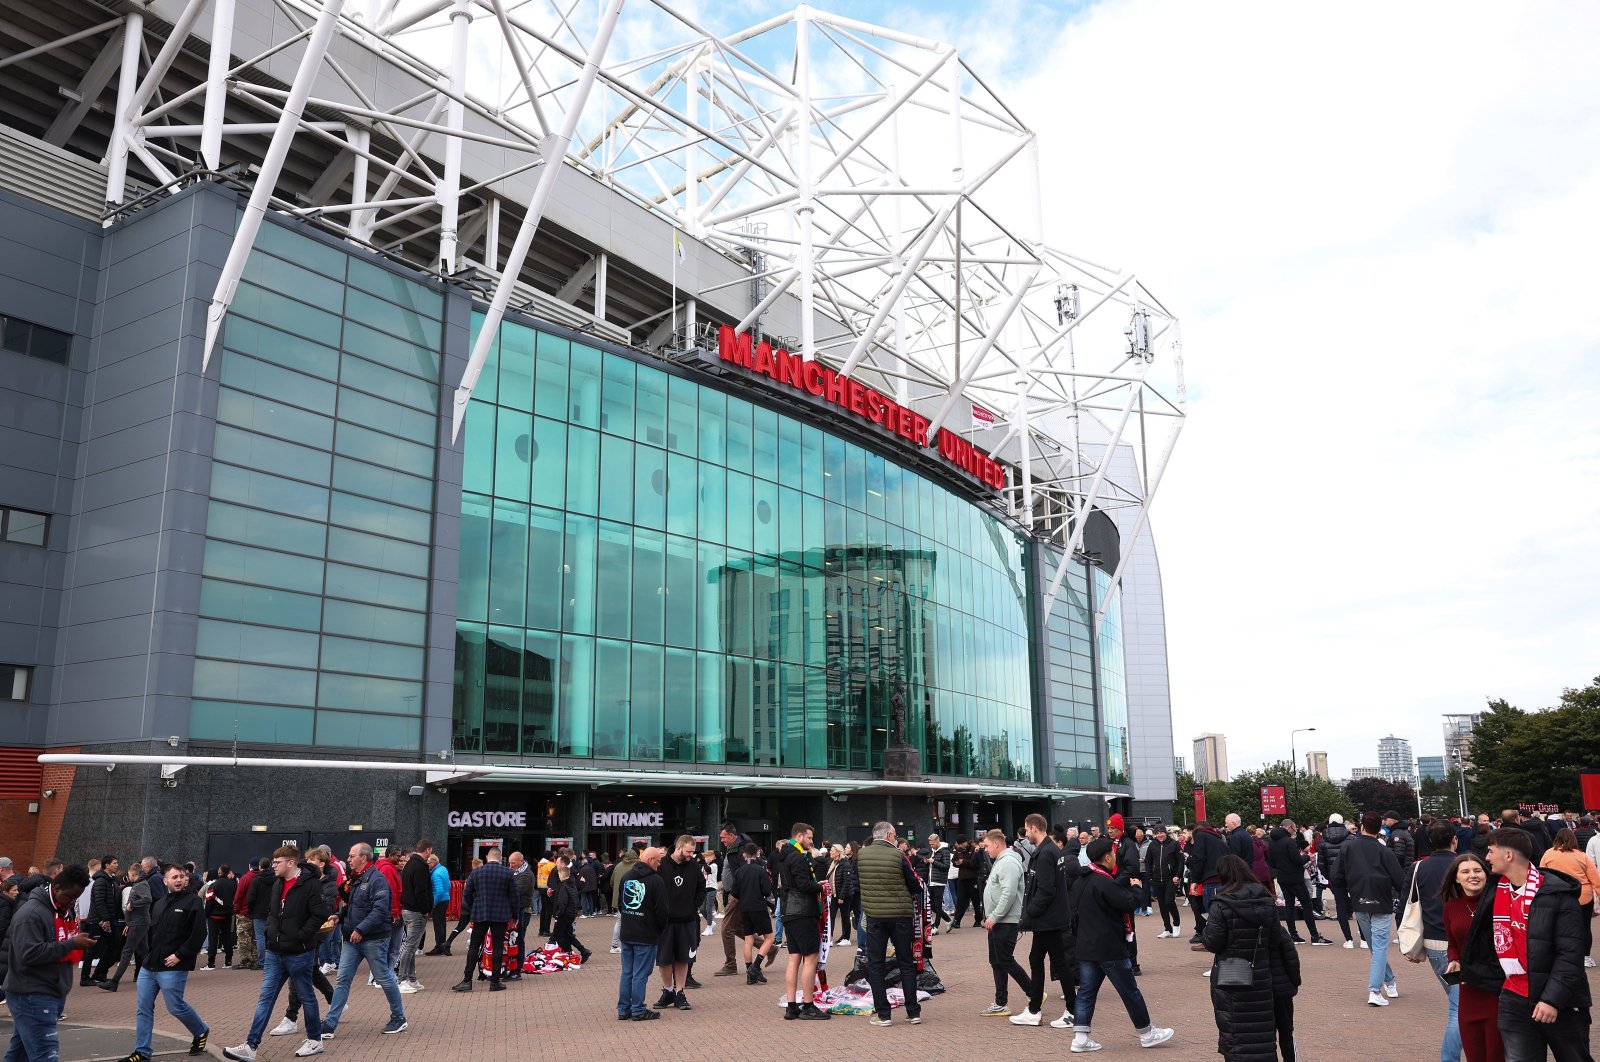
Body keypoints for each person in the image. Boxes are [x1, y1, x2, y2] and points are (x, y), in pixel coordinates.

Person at [1463, 828, 1591, 1061]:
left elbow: (1570, 954)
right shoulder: (1495, 890)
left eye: (1491, 852)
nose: (1487, 858)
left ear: (1508, 855)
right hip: (1513, 996)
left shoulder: (1557, 894)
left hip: (1559, 1000)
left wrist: (1552, 999)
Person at [223, 847, 331, 1062]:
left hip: (300, 953)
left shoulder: (310, 884)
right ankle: (251, 1046)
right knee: (266, 998)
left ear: (290, 863)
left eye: (277, 862)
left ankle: (314, 1040)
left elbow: (320, 914)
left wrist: (301, 935)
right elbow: (272, 913)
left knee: (307, 997)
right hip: (275, 952)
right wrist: (270, 933)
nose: (273, 865)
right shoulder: (277, 883)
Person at [1071, 837, 1174, 1052]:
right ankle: (1147, 1033)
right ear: (1107, 857)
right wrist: (1137, 888)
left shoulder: (1082, 879)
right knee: (1129, 991)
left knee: (1086, 992)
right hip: (1109, 946)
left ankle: (1080, 1038)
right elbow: (1128, 902)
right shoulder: (1104, 881)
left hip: (1086, 945)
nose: (1115, 857)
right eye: (1113, 854)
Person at [1202, 854, 1299, 1061]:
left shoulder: (1221, 904)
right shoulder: (1266, 900)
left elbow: (1213, 943)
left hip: (1232, 975)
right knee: (1262, 1033)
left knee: (1237, 1033)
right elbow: (1275, 939)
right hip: (1262, 974)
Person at [3, 864, 94, 1062]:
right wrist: (71, 944)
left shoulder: (60, 910)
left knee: (19, 1055)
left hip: (47, 992)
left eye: (75, 898)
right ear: (57, 887)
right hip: (32, 994)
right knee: (46, 1055)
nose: (71, 903)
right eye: (69, 897)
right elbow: (29, 954)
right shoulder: (31, 913)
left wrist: (75, 944)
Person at [318, 843, 406, 1040]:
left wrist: (360, 929)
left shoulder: (377, 880)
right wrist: (339, 915)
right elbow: (354, 905)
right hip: (353, 938)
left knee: (383, 977)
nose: (348, 859)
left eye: (351, 856)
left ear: (363, 858)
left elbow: (380, 910)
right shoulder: (356, 878)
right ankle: (330, 1023)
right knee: (342, 980)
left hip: (373, 938)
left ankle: (399, 1017)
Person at [123, 864, 209, 1062]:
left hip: (173, 966)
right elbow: (153, 934)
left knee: (175, 1007)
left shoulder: (193, 902)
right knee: (143, 1008)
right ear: (165, 881)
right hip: (149, 965)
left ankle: (201, 1030)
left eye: (181, 877)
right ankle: (142, 1052)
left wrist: (180, 955)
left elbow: (199, 934)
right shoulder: (159, 903)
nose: (178, 880)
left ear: (186, 879)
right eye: (174, 877)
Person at [1404, 822, 1466, 1062]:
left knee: (1458, 1004)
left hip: (1433, 942)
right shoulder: (1465, 865)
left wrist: (1410, 942)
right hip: (1458, 942)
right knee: (1459, 1009)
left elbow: (1407, 902)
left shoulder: (1420, 867)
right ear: (1454, 838)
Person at [1010, 811, 1076, 1029]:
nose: (1025, 833)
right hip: (1048, 919)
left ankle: (1071, 1011)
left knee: (1056, 963)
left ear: (1034, 828)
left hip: (1048, 920)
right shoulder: (1049, 850)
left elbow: (1046, 890)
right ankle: (1034, 1009)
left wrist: (1027, 916)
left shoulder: (1046, 853)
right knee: (1037, 959)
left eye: (1027, 829)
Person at [1331, 810, 1404, 1006]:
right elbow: (1399, 880)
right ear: (1379, 829)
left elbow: (1336, 875)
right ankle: (1377, 988)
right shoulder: (1384, 851)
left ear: (1362, 827)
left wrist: (1348, 890)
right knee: (1377, 947)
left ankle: (1385, 983)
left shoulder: (1348, 848)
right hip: (1381, 901)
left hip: (1359, 901)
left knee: (1376, 947)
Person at [857, 820, 921, 1027]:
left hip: (875, 915)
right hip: (901, 915)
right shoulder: (898, 855)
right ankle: (913, 1012)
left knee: (876, 964)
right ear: (888, 836)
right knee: (906, 962)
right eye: (894, 835)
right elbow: (913, 882)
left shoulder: (861, 855)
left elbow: (860, 883)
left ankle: (884, 1014)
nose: (896, 838)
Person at [1441, 853, 1504, 1062]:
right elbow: (1452, 943)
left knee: (1496, 1055)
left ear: (1486, 874)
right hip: (1467, 991)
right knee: (1474, 1054)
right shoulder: (1451, 906)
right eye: (1465, 872)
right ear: (1457, 878)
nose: (1472, 876)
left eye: (1477, 870)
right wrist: (1454, 959)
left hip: (1496, 989)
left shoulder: (1499, 902)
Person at [773, 823, 828, 1020]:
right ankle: (807, 1005)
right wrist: (820, 888)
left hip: (788, 911)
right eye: (810, 838)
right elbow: (803, 884)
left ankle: (791, 1006)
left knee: (793, 958)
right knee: (810, 958)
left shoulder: (784, 855)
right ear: (799, 836)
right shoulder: (797, 856)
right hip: (803, 912)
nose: (812, 842)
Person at [978, 827, 1032, 1017]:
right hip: (998, 920)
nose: (985, 850)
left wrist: (994, 916)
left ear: (996, 843)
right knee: (997, 961)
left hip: (1004, 921)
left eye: (986, 846)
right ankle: (1001, 1002)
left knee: (1005, 960)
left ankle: (1033, 992)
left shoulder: (1008, 862)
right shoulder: (1002, 861)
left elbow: (1008, 894)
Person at [451, 848, 518, 993]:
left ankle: (467, 981)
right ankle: (495, 982)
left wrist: (468, 913)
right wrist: (514, 916)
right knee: (498, 947)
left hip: (480, 913)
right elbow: (514, 897)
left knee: (474, 946)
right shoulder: (508, 873)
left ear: (487, 857)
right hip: (501, 915)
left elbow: (467, 895)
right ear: (500, 859)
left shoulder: (476, 872)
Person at [652, 835, 705, 1011]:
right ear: (678, 847)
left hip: (687, 919)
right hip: (665, 921)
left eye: (693, 851)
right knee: (664, 959)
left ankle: (679, 992)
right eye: (688, 851)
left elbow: (701, 888)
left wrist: (693, 905)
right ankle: (667, 991)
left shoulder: (694, 867)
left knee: (683, 958)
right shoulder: (661, 865)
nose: (691, 855)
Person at [617, 845, 667, 1021]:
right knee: (640, 974)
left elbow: (621, 905)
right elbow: (662, 912)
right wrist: (658, 930)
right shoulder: (656, 881)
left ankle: (623, 1009)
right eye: (658, 861)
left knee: (627, 972)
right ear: (651, 860)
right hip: (646, 935)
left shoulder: (626, 876)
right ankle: (638, 1009)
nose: (659, 865)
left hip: (628, 933)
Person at [1538, 828, 1599, 969]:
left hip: (1557, 894)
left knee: (1558, 927)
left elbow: (1542, 874)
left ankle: (1561, 956)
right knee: (1584, 927)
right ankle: (1586, 957)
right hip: (1582, 896)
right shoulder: (1581, 856)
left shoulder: (1548, 854)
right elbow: (1595, 878)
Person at [1267, 820, 1331, 945]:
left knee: (1289, 906)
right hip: (1295, 877)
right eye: (1294, 828)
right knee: (1306, 904)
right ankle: (1314, 936)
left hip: (1282, 877)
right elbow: (1297, 860)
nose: (1294, 830)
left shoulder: (1272, 842)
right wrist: (1308, 857)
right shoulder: (1289, 841)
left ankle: (1293, 935)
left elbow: (1271, 862)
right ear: (1289, 827)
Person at [728, 843, 775, 984]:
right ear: (757, 853)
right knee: (769, 938)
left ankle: (750, 974)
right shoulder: (761, 870)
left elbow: (734, 892)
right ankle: (755, 966)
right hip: (759, 907)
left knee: (748, 939)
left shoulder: (739, 871)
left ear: (744, 855)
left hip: (744, 908)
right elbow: (767, 891)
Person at [101, 865, 153, 992]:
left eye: (129, 874)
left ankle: (114, 982)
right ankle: (157, 976)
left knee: (127, 952)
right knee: (143, 951)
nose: (128, 877)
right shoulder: (141, 884)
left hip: (138, 923)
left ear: (133, 874)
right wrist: (129, 923)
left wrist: (132, 905)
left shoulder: (140, 885)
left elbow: (147, 899)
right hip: (137, 923)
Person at [714, 822, 752, 976]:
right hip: (733, 893)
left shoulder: (741, 849)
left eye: (723, 838)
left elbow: (744, 874)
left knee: (726, 928)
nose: (722, 841)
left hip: (737, 895)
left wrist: (737, 893)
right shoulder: (732, 848)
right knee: (737, 928)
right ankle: (769, 947)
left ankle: (730, 965)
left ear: (731, 835)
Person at [1319, 813, 1362, 948]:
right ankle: (1364, 938)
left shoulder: (1323, 841)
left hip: (1336, 878)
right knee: (1359, 906)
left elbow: (1321, 863)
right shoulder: (1352, 839)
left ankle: (1348, 939)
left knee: (1341, 906)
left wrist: (1329, 876)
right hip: (1352, 876)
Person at [395, 840, 433, 993]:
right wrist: (425, 909)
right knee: (410, 946)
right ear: (428, 850)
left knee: (410, 945)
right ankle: (402, 979)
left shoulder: (409, 864)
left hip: (408, 909)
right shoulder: (421, 866)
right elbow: (421, 891)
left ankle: (411, 978)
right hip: (416, 911)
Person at [84, 855, 122, 986]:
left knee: (112, 946)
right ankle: (85, 978)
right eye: (114, 863)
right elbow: (99, 902)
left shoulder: (109, 880)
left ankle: (99, 973)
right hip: (98, 921)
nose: (117, 865)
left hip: (106, 919)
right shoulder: (101, 881)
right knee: (93, 948)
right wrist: (105, 919)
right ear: (107, 865)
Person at [1186, 821, 1227, 942]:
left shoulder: (1200, 836)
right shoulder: (1219, 839)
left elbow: (1199, 858)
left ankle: (1212, 941)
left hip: (1210, 879)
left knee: (1210, 912)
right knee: (1219, 911)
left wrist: (1195, 880)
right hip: (1222, 878)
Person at [1145, 825, 1183, 939]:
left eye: (1161, 832)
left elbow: (1180, 861)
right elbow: (1148, 861)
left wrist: (1178, 875)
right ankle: (1167, 929)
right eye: (1157, 833)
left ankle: (1176, 924)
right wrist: (1150, 877)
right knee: (1162, 905)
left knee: (1169, 901)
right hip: (1156, 879)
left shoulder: (1174, 844)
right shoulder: (1152, 845)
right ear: (1155, 835)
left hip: (1171, 878)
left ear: (1166, 833)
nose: (1160, 835)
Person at [548, 860, 589, 962]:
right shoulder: (572, 884)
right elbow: (574, 899)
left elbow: (563, 902)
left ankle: (550, 954)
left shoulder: (563, 886)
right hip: (570, 913)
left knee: (555, 936)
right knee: (568, 935)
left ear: (561, 875)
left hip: (564, 914)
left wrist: (558, 914)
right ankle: (582, 951)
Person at [201, 867, 237, 970]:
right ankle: (228, 961)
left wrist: (206, 914)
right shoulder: (233, 884)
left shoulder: (213, 885)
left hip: (214, 916)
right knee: (227, 938)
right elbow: (236, 899)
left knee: (213, 939)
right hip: (228, 915)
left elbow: (209, 901)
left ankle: (211, 963)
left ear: (219, 872)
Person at [831, 842, 859, 947]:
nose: (830, 852)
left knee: (851, 915)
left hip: (850, 893)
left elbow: (848, 880)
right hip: (837, 893)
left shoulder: (848, 862)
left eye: (848, 847)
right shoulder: (833, 863)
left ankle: (847, 937)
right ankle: (836, 937)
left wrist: (842, 896)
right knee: (838, 915)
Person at [423, 854, 450, 956]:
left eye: (428, 863)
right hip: (446, 899)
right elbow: (448, 885)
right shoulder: (443, 869)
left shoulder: (435, 874)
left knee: (437, 925)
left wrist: (434, 903)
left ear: (433, 863)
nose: (427, 865)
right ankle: (443, 944)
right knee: (442, 924)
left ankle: (439, 947)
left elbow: (438, 891)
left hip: (439, 901)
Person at [925, 832, 951, 931]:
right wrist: (927, 862)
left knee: (938, 905)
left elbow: (946, 866)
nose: (931, 846)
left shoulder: (945, 851)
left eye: (932, 844)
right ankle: (948, 919)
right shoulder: (933, 851)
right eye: (930, 844)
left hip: (939, 881)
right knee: (931, 905)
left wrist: (933, 862)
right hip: (931, 881)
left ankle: (936, 926)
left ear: (937, 841)